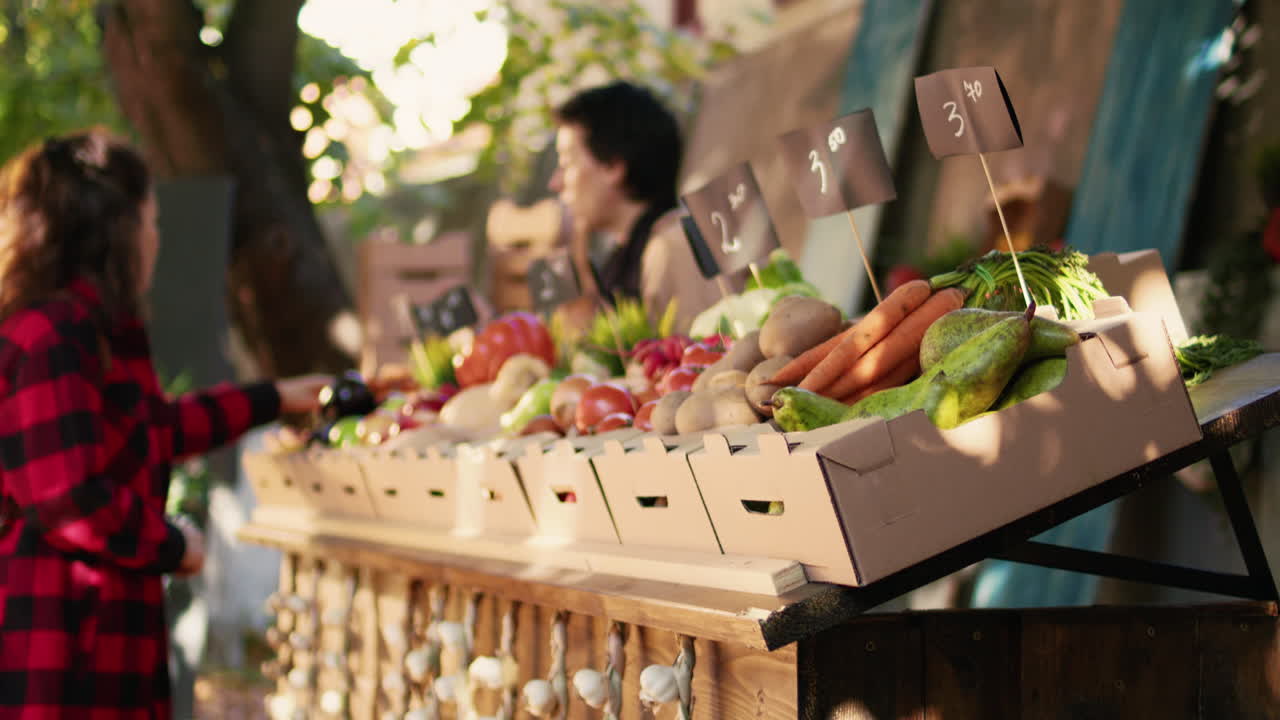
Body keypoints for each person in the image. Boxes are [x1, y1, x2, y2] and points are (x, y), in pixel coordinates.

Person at [0, 128, 330, 718]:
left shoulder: (100, 331)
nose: (157, 238)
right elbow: (68, 497)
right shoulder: (54, 334)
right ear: (116, 232)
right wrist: (174, 544)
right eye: (150, 221)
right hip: (60, 653)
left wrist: (275, 397)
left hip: (106, 646)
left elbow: (153, 432)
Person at [549, 81, 725, 333]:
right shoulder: (625, 260)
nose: (555, 183)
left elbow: (708, 359)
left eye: (566, 163)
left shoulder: (675, 246)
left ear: (612, 167)